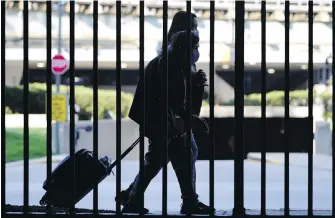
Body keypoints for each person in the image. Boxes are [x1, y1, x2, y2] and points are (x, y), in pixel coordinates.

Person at [116, 12, 214, 215]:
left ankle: (133, 196)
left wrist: (195, 83)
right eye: (193, 26)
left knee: (166, 158)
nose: (195, 30)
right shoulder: (170, 61)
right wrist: (192, 118)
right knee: (175, 156)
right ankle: (184, 201)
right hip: (163, 121)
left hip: (168, 121)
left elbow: (182, 95)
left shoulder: (178, 58)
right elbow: (173, 98)